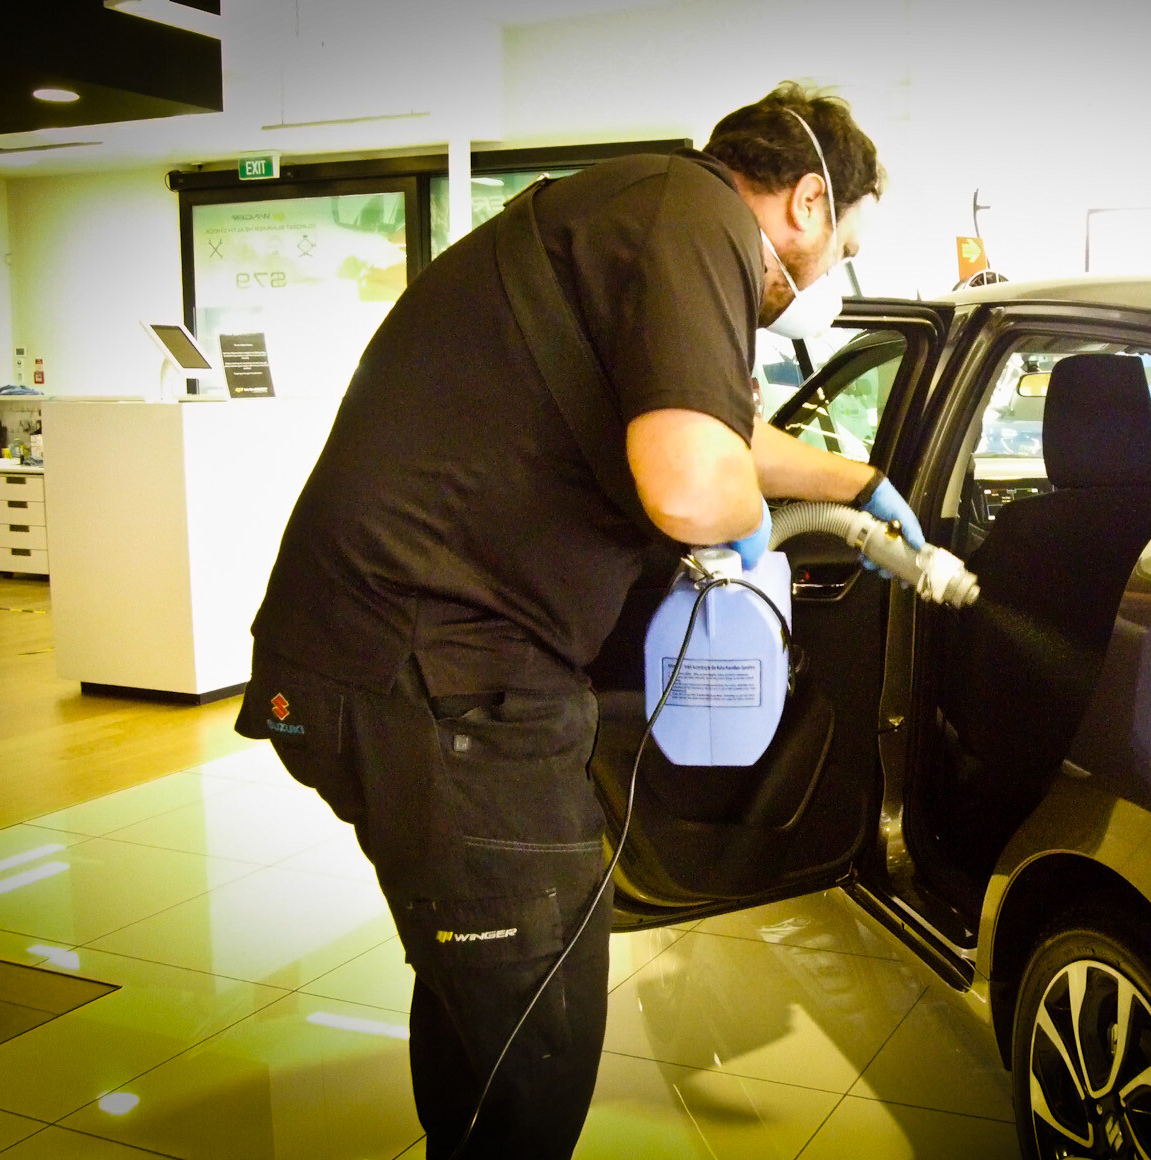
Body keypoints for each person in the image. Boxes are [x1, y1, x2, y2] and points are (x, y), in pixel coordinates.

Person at [232, 83, 921, 1158]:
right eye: (847, 244)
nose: (833, 271)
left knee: (480, 989)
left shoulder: (639, 213)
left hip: (379, 658)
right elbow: (691, 480)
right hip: (440, 675)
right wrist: (751, 527)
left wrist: (858, 482)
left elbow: (721, 428)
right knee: (538, 1023)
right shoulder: (697, 221)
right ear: (805, 200)